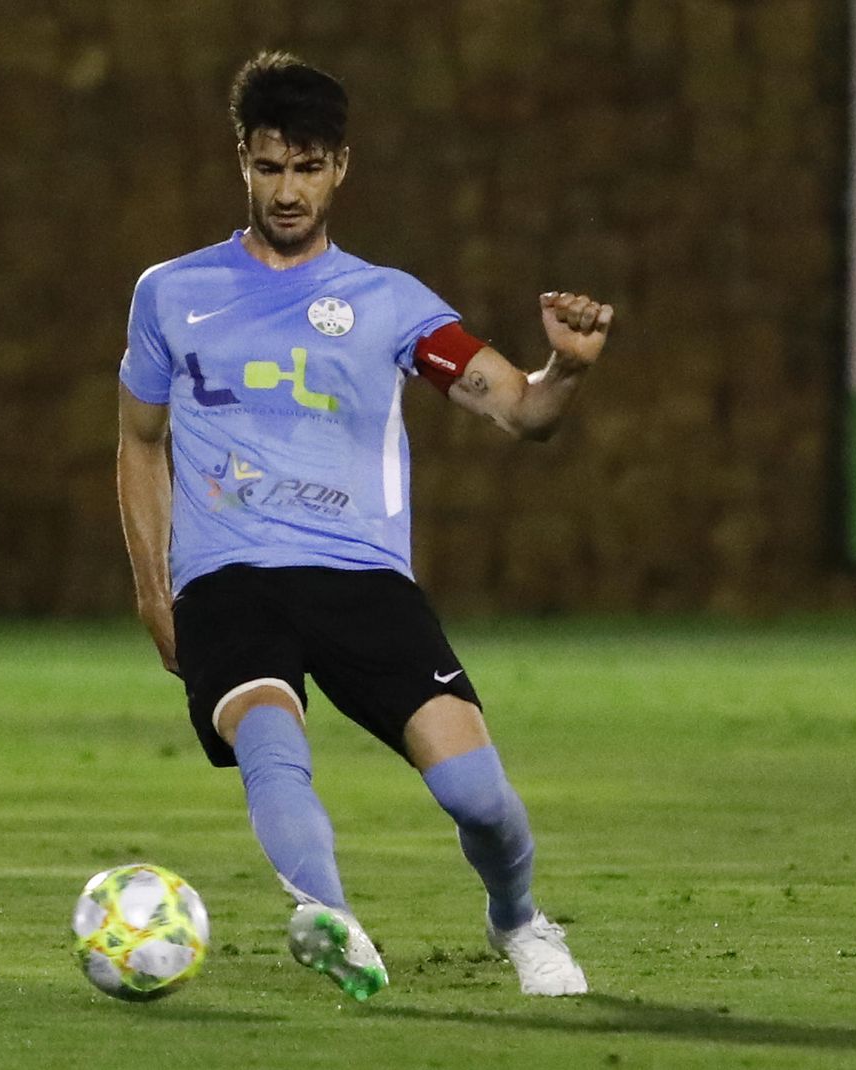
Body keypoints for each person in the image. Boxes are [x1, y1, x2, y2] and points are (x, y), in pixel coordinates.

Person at [115, 52, 614, 1002]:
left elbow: (520, 409)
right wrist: (153, 589)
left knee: (478, 799)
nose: (288, 189)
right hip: (227, 576)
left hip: (360, 576)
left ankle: (517, 917)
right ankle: (330, 918)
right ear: (242, 163)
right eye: (269, 167)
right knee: (270, 738)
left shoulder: (392, 305)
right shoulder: (171, 294)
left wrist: (570, 371)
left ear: (341, 167)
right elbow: (139, 444)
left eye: (307, 167)